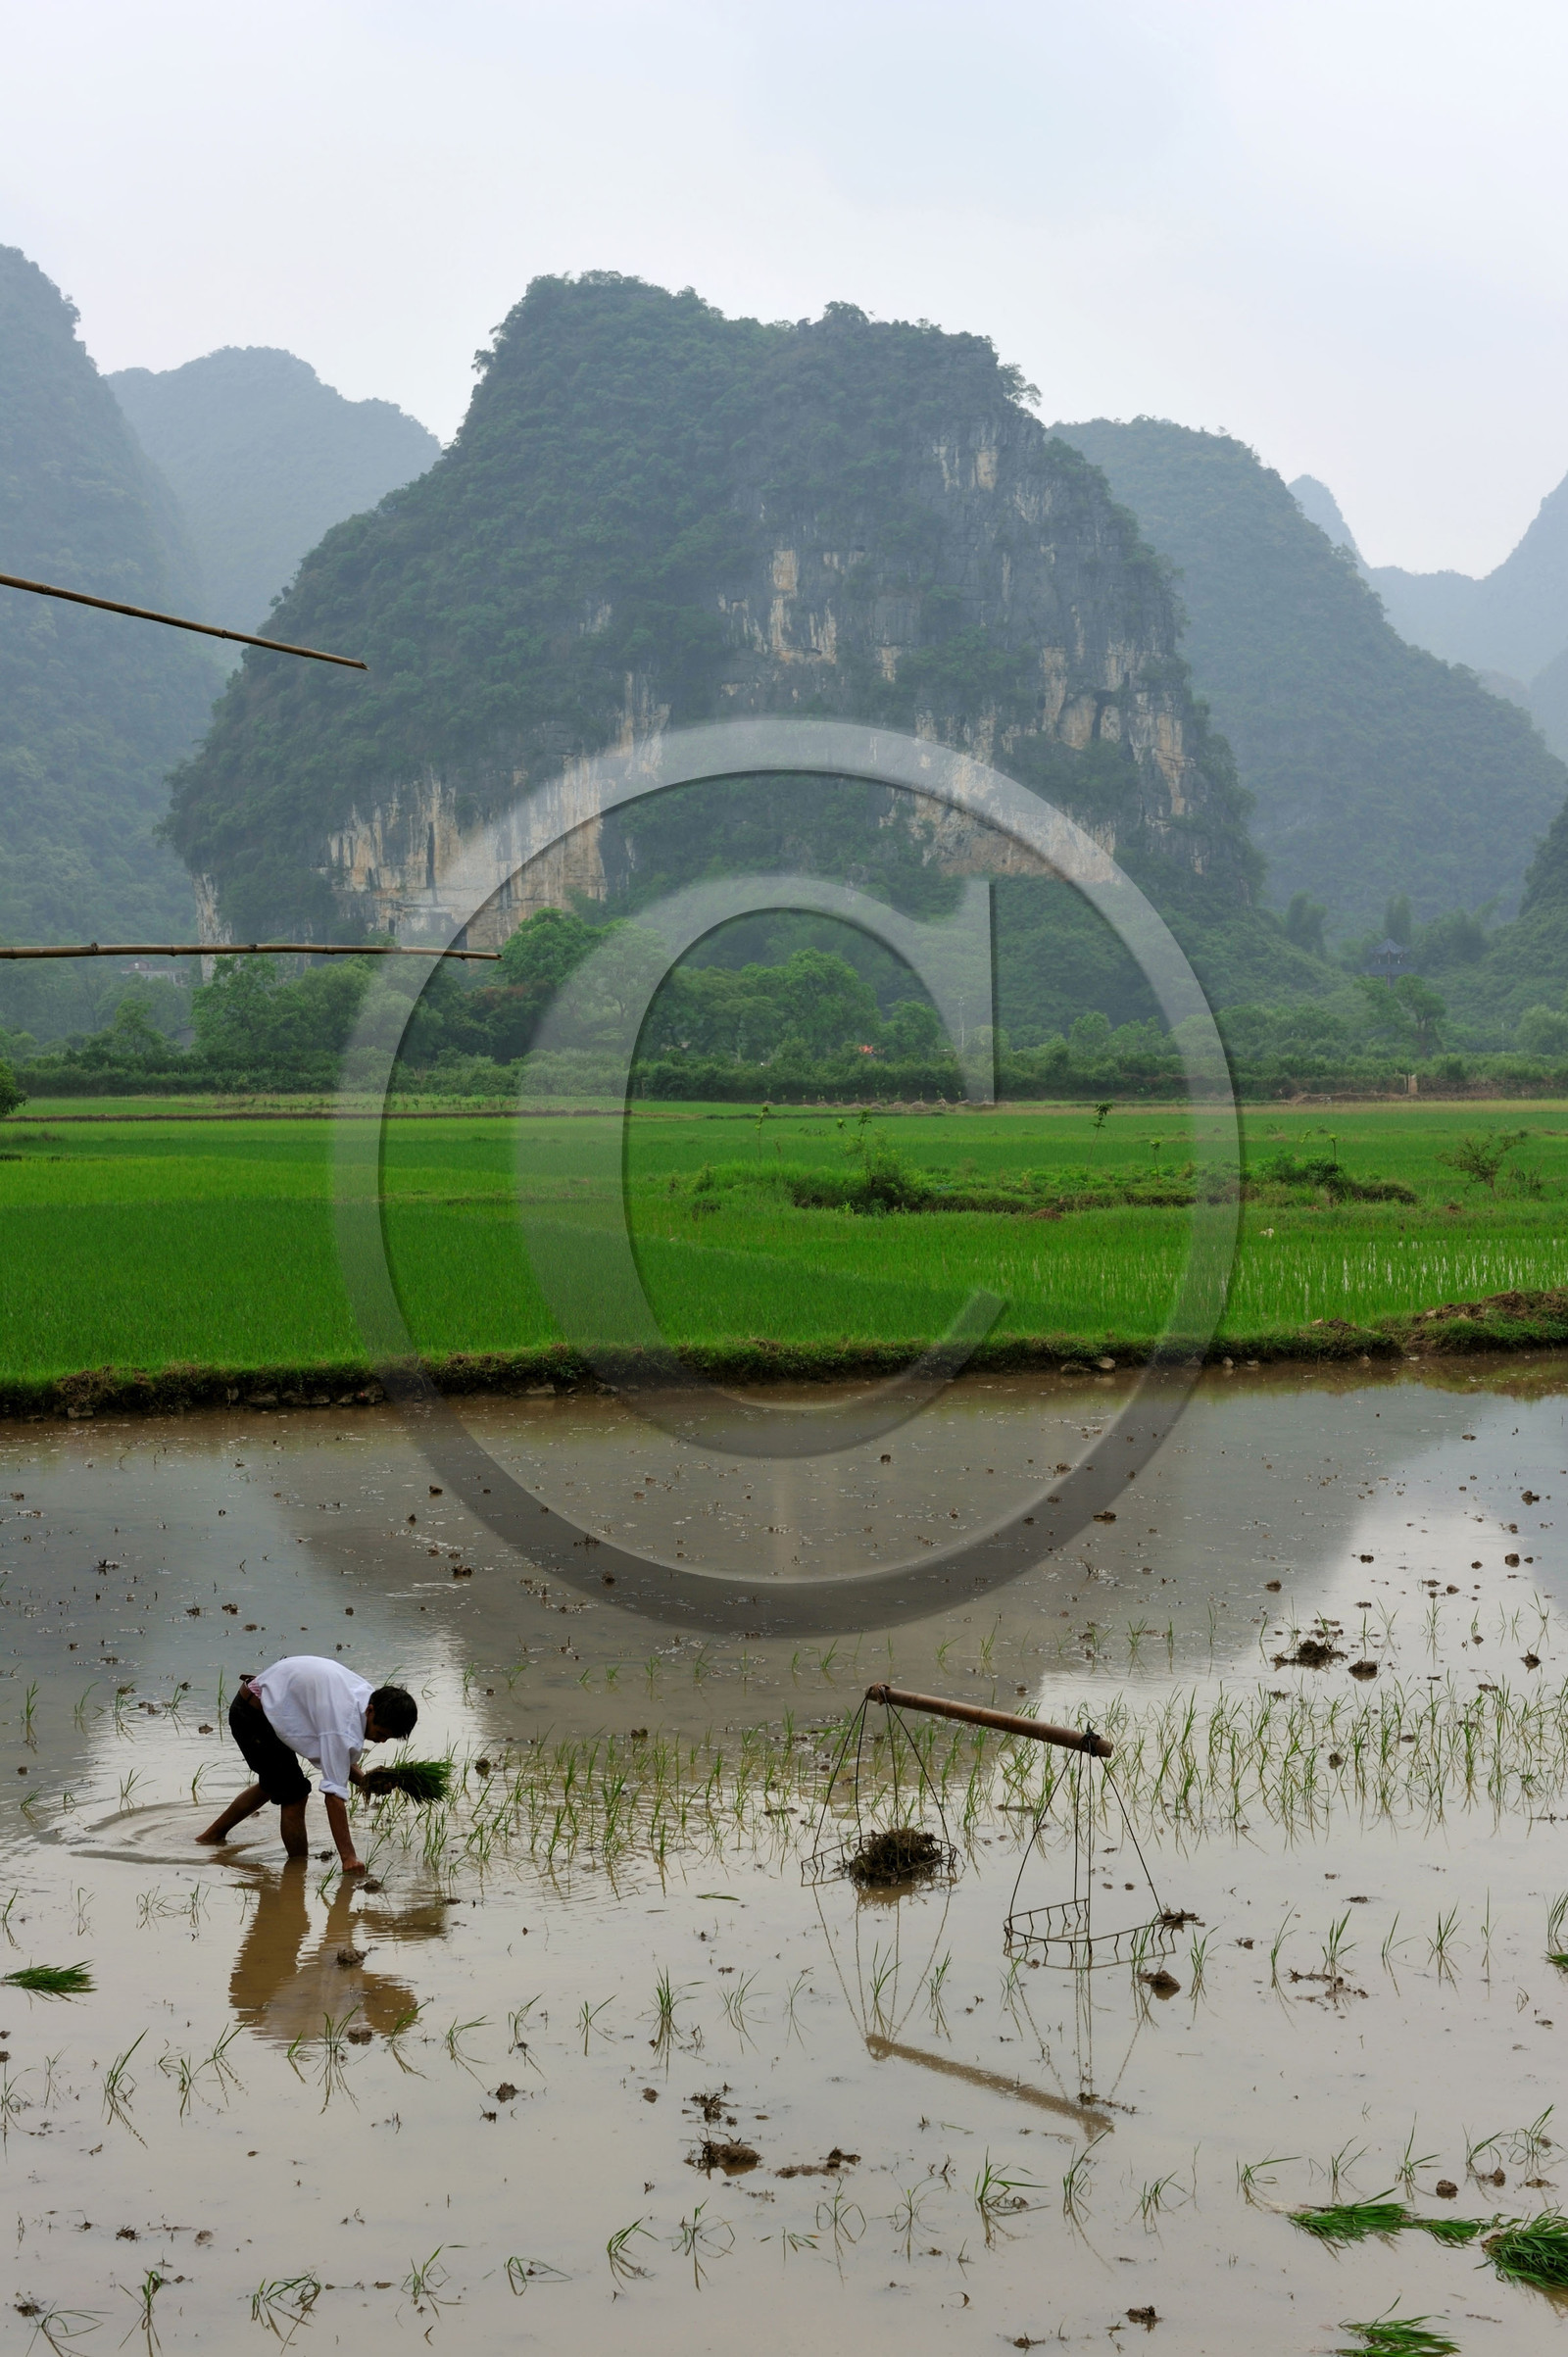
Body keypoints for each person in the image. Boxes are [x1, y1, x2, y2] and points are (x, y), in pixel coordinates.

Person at [197, 1654, 416, 1874]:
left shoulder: (368, 1698)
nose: (381, 1741)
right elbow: (334, 1797)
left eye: (388, 1738)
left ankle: (212, 1836)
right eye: (380, 1733)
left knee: (276, 1783)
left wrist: (366, 1782)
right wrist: (349, 1857)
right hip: (253, 1715)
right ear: (370, 1711)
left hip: (269, 1705)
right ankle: (296, 1872)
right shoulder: (343, 1722)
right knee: (294, 1793)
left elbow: (338, 1758)